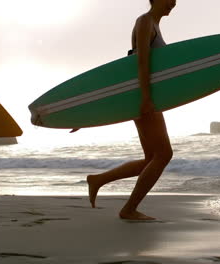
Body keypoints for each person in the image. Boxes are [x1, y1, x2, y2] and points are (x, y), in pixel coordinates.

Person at [86, 0, 177, 221]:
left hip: (146, 96)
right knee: (164, 154)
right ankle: (129, 209)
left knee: (151, 158)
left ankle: (98, 180)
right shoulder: (145, 21)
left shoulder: (154, 25)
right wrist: (145, 98)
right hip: (143, 97)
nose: (173, 3)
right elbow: (140, 62)